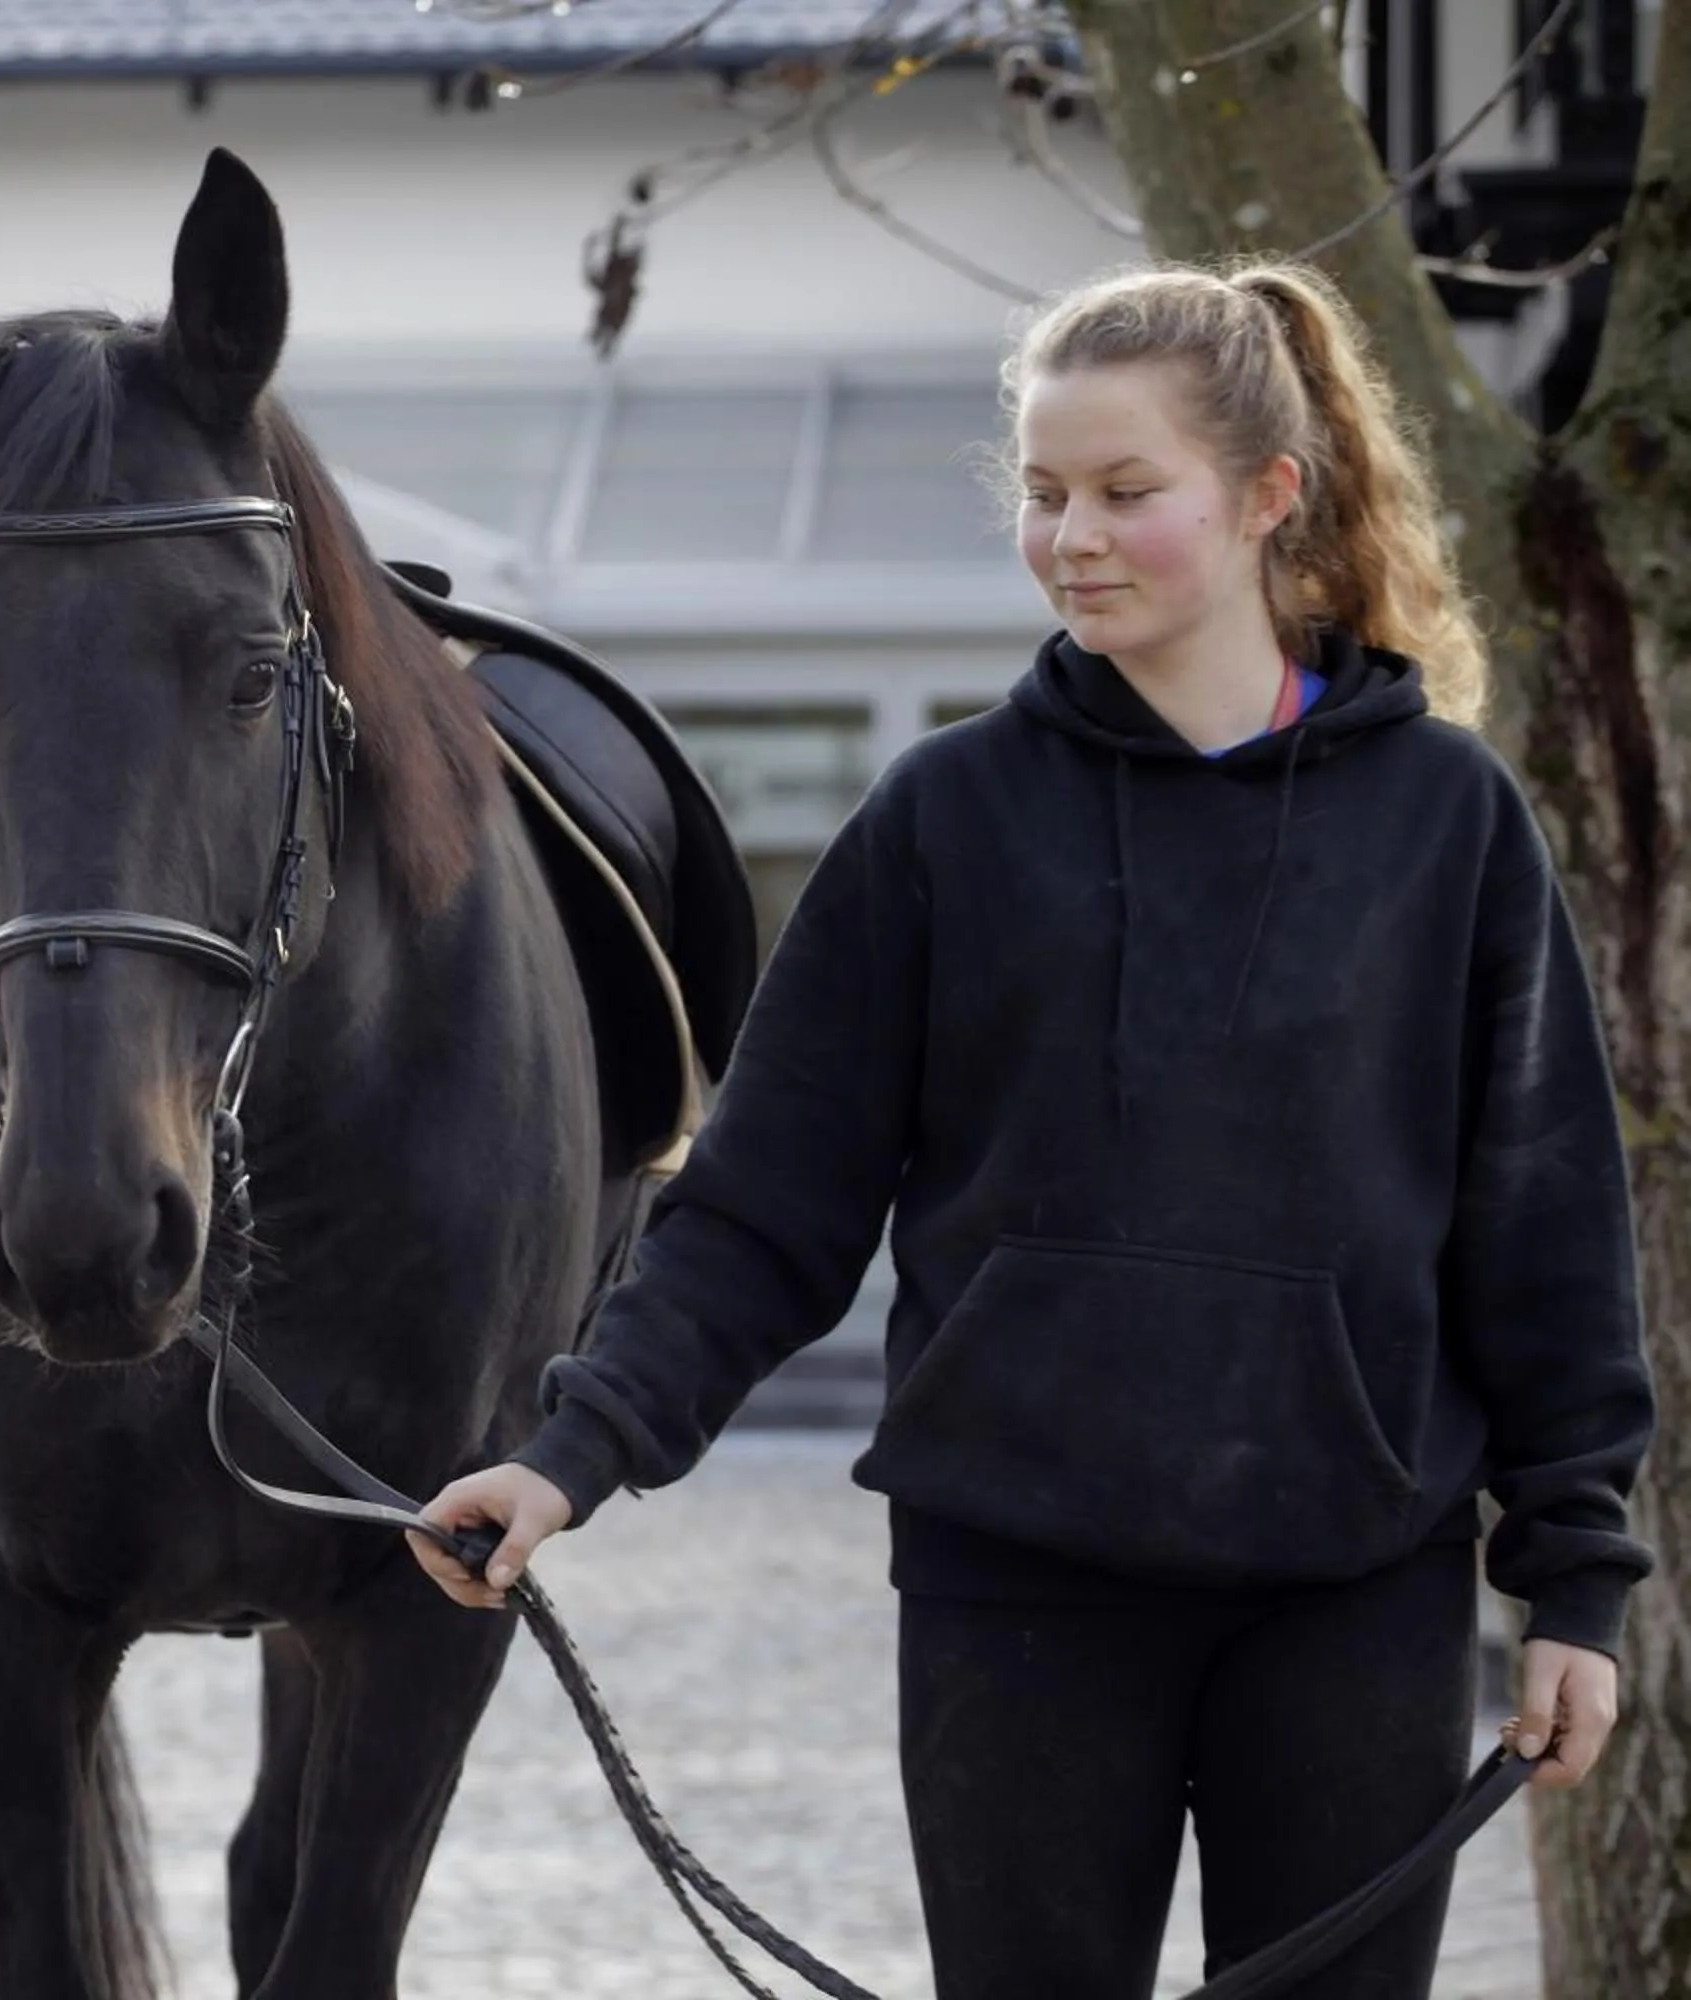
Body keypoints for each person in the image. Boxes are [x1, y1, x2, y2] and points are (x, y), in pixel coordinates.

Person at [414, 260, 1654, 1999]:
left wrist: (1577, 1580)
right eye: (1047, 491)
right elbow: (768, 1202)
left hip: (1354, 1589)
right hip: (1019, 1597)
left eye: (1127, 493)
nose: (1072, 533)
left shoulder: (1449, 822)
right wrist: (572, 1452)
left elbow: (1542, 1224)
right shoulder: (945, 820)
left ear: (1267, 496)